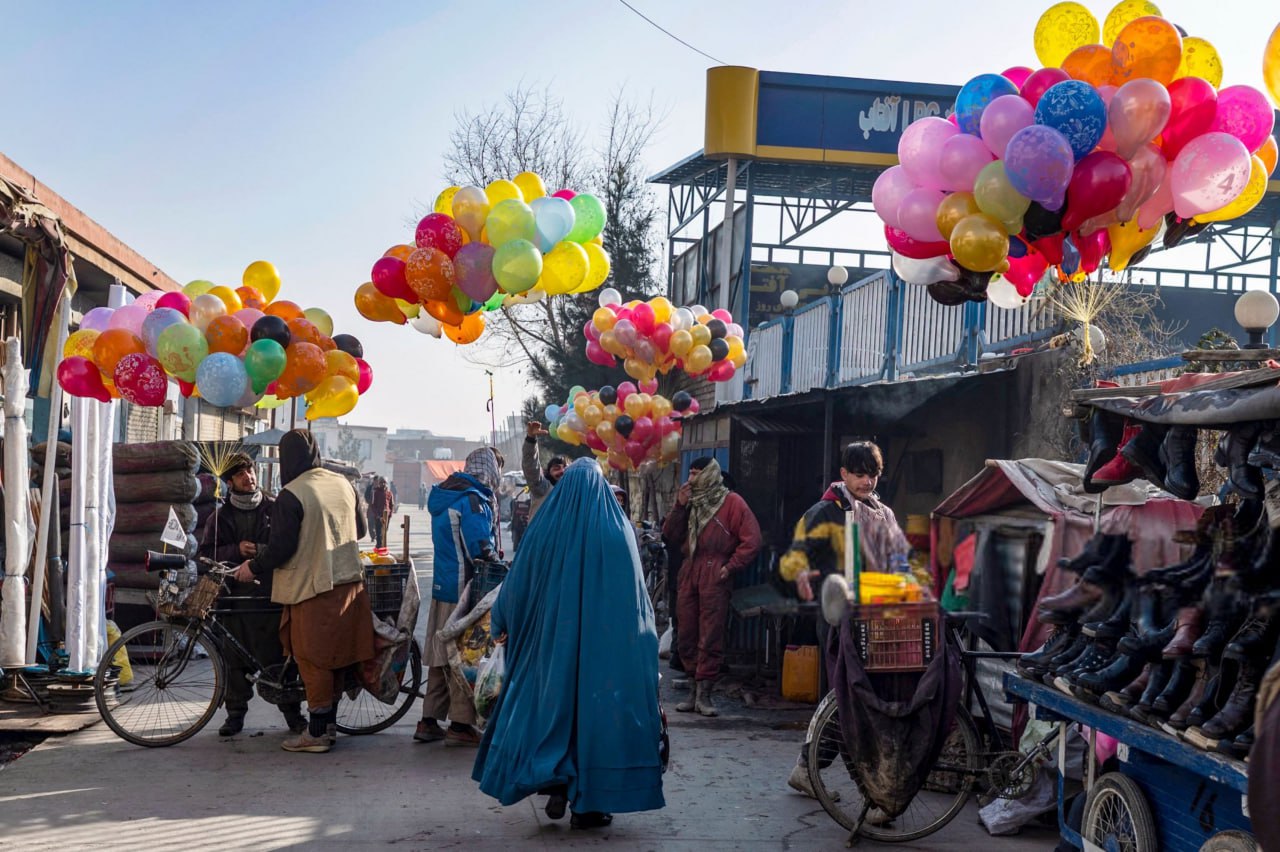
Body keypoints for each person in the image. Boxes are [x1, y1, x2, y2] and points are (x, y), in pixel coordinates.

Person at [473, 458, 665, 829]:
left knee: (552, 712)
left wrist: (501, 623)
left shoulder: (545, 528)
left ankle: (556, 781)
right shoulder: (618, 530)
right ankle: (589, 805)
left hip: (551, 647)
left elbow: (517, 584)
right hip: (605, 655)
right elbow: (638, 601)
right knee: (596, 720)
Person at [778, 440, 910, 797]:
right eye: (860, 474)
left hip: (874, 614)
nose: (867, 481)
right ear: (844, 474)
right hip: (838, 618)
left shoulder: (882, 512)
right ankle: (854, 780)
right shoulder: (826, 511)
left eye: (873, 474)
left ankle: (811, 768)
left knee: (849, 695)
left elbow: (898, 556)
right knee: (846, 694)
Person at [233, 430, 374, 754]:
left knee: (314, 660)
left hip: (314, 587)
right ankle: (329, 726)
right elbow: (362, 530)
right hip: (350, 583)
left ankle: (318, 733)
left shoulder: (292, 494)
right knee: (336, 657)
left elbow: (281, 548)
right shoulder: (343, 484)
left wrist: (252, 567)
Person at [199, 453, 305, 737]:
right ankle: (235, 716)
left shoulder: (274, 508)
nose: (249, 477)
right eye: (242, 474)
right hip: (234, 601)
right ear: (231, 481)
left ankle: (293, 715)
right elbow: (205, 555)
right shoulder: (220, 518)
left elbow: (288, 545)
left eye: (251, 471)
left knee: (279, 660)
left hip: (271, 597)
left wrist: (260, 553)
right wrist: (235, 551)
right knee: (234, 661)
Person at [662, 457, 762, 717]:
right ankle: (692, 693)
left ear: (710, 474)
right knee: (686, 634)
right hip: (690, 568)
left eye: (697, 474)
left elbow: (751, 540)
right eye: (691, 473)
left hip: (714, 571)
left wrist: (730, 567)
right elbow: (670, 535)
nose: (692, 479)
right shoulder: (690, 501)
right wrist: (679, 506)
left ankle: (705, 695)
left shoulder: (732, 502)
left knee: (710, 634)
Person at [414, 447, 499, 747]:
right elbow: (479, 548)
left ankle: (428, 720)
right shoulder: (472, 500)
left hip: (442, 586)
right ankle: (461, 724)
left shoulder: (445, 496)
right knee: (464, 655)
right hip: (466, 590)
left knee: (440, 654)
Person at [522, 421, 567, 524]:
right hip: (540, 539)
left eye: (565, 468)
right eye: (557, 468)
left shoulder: (572, 492)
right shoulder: (542, 488)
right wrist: (530, 439)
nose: (562, 471)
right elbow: (531, 466)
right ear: (548, 472)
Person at [367, 476, 394, 548]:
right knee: (378, 532)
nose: (383, 484)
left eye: (384, 482)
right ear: (378, 483)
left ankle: (383, 546)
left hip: (387, 515)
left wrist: (390, 514)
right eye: (381, 482)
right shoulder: (376, 492)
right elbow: (373, 505)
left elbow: (391, 504)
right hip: (378, 515)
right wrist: (377, 515)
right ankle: (379, 546)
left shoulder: (389, 493)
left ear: (386, 483)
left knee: (384, 531)